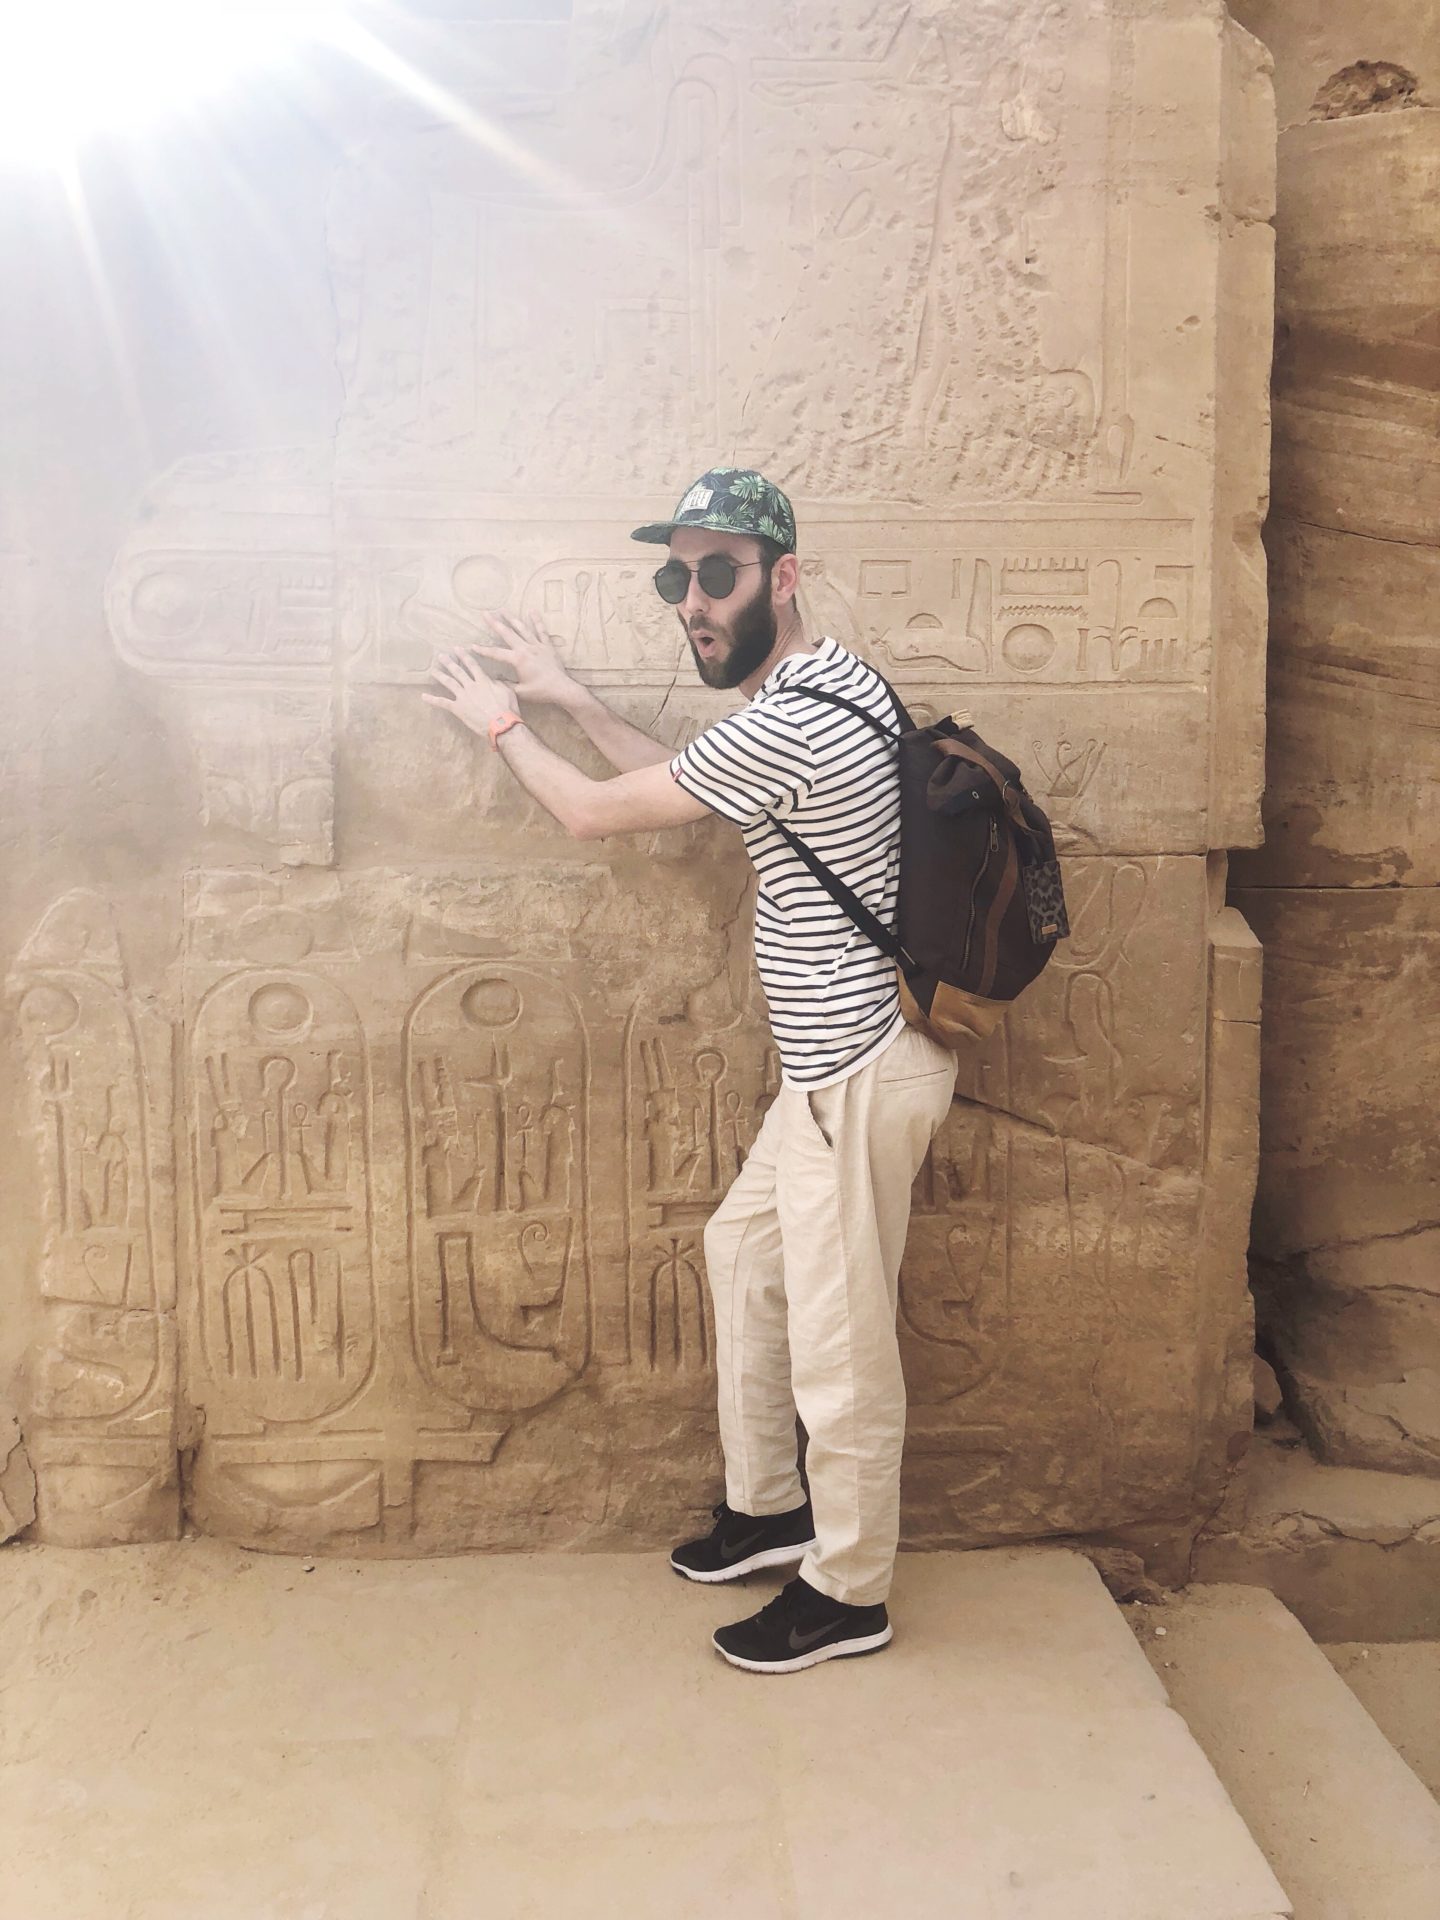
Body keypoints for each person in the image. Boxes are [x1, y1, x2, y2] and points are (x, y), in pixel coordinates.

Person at [424, 468, 957, 1673]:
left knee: (841, 1345)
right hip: (830, 1075)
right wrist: (570, 696)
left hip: (858, 1073)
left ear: (785, 576)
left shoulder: (801, 714)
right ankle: (772, 1509)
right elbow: (700, 783)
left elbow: (594, 811)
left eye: (717, 573)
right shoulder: (819, 686)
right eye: (677, 578)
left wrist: (504, 726)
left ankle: (850, 1590)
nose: (693, 601)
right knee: (742, 1254)